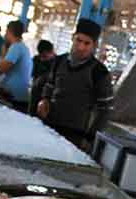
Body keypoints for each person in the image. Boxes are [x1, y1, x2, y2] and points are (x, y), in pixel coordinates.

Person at [37, 18, 114, 151]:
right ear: (73, 38)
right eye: (78, 40)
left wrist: (90, 138)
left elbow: (105, 110)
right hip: (49, 127)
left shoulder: (99, 72)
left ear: (94, 45)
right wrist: (45, 99)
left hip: (75, 136)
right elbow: (50, 85)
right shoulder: (58, 61)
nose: (81, 47)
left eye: (87, 43)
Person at [0, 20, 31, 113]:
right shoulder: (23, 47)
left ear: (9, 32)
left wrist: (3, 53)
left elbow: (2, 68)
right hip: (17, 96)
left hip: (14, 98)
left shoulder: (16, 47)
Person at [28, 39, 54, 116]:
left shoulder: (56, 62)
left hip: (47, 96)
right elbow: (32, 75)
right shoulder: (35, 60)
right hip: (36, 92)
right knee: (32, 115)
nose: (53, 53)